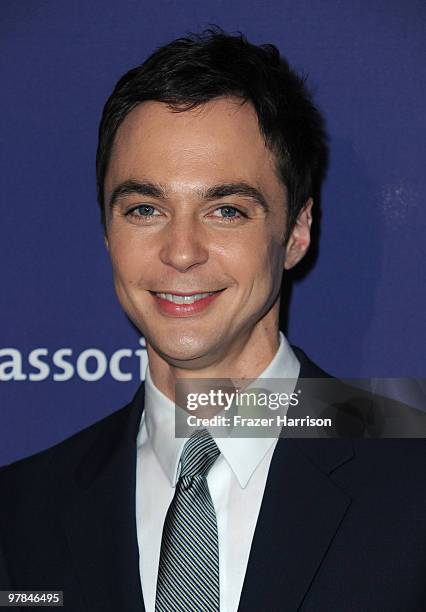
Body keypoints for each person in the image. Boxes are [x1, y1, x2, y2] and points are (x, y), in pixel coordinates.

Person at [0, 29, 425, 612]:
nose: (180, 251)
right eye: (144, 209)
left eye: (226, 210)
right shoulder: (19, 510)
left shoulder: (412, 475)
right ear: (107, 231)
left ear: (296, 231)